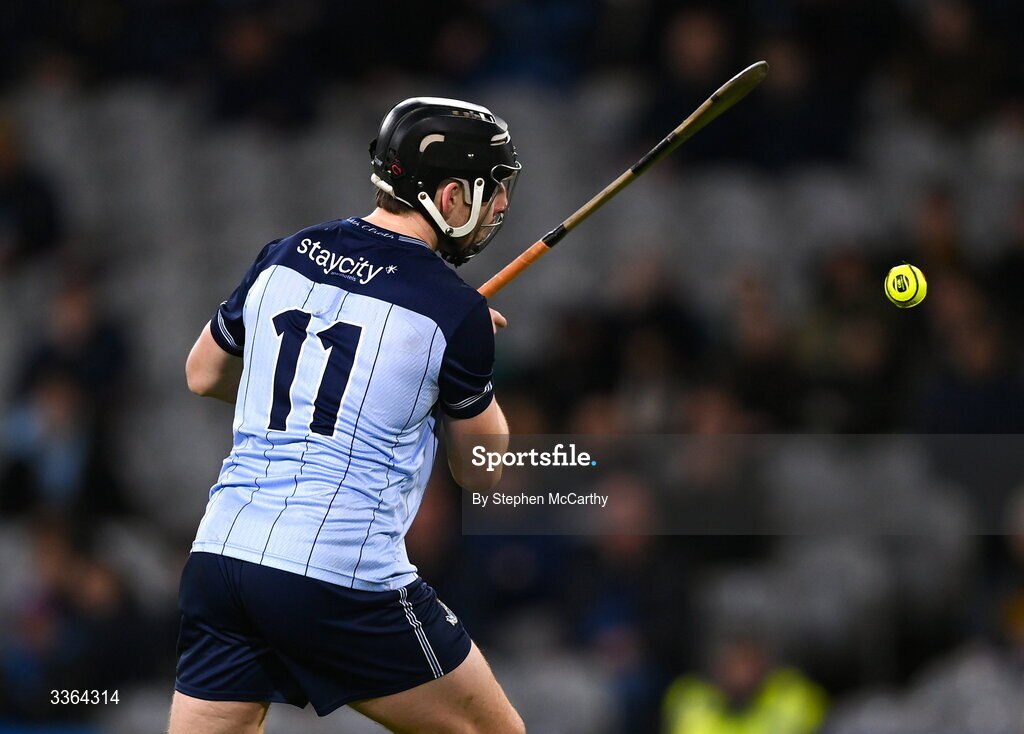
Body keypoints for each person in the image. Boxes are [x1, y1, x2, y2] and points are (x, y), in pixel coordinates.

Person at [168, 97, 525, 734]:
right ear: (448, 196)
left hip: (220, 557)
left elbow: (203, 373)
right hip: (335, 576)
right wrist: (472, 365)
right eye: (488, 191)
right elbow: (484, 471)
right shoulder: (453, 310)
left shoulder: (286, 252)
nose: (498, 207)